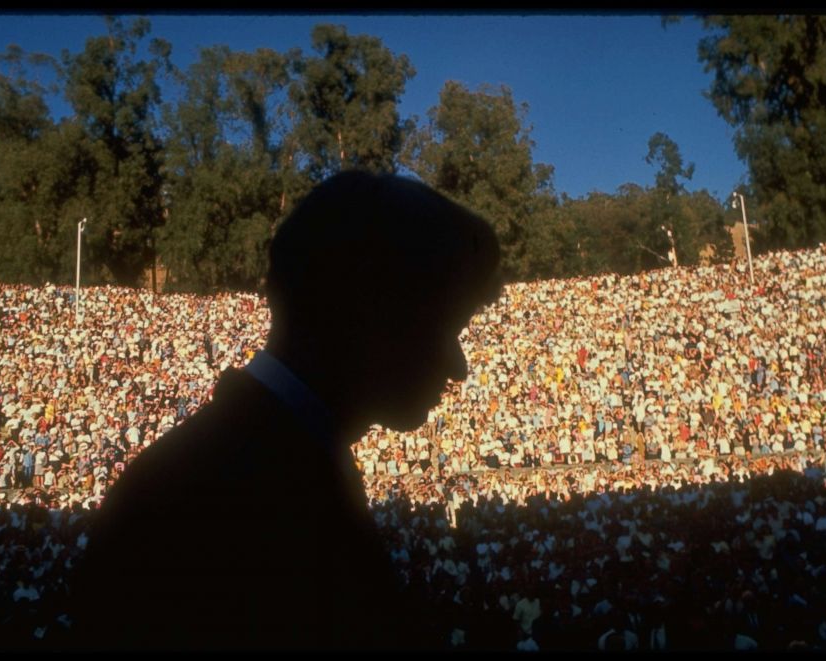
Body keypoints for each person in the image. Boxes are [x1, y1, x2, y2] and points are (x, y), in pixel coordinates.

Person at [68, 171, 503, 651]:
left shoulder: (237, 462)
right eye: (449, 325)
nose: (458, 368)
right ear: (372, 306)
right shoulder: (235, 497)